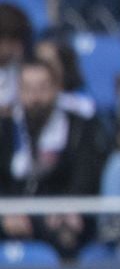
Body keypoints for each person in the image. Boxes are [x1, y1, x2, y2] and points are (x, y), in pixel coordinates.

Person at [0, 56, 106, 258]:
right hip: (12, 212)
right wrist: (5, 213)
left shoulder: (77, 128)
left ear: (56, 89)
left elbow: (84, 177)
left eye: (42, 88)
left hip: (58, 213)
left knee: (67, 233)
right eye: (28, 89)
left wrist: (67, 208)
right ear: (19, 92)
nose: (35, 98)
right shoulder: (6, 129)